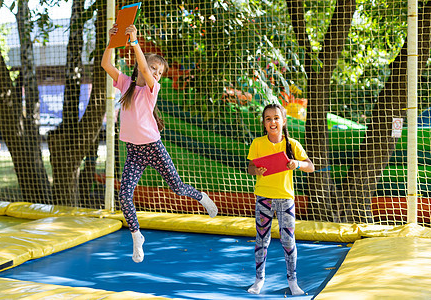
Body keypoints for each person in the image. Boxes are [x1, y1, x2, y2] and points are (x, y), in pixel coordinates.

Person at [101, 24, 218, 263]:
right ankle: (136, 236)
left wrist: (134, 42)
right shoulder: (126, 85)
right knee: (124, 195)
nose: (155, 73)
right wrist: (112, 42)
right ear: (138, 68)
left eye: (159, 72)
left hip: (153, 148)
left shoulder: (152, 90)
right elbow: (106, 65)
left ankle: (200, 196)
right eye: (153, 68)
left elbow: (143, 67)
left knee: (176, 187)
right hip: (133, 150)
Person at [246, 103, 314, 296]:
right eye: (268, 119)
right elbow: (250, 167)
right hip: (264, 197)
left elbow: (311, 166)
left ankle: (292, 280)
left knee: (288, 240)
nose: (272, 121)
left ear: (284, 121)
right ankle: (259, 279)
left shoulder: (292, 144)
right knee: (262, 239)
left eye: (276, 118)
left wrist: (297, 164)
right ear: (264, 123)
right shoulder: (258, 143)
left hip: (285, 198)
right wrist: (256, 170)